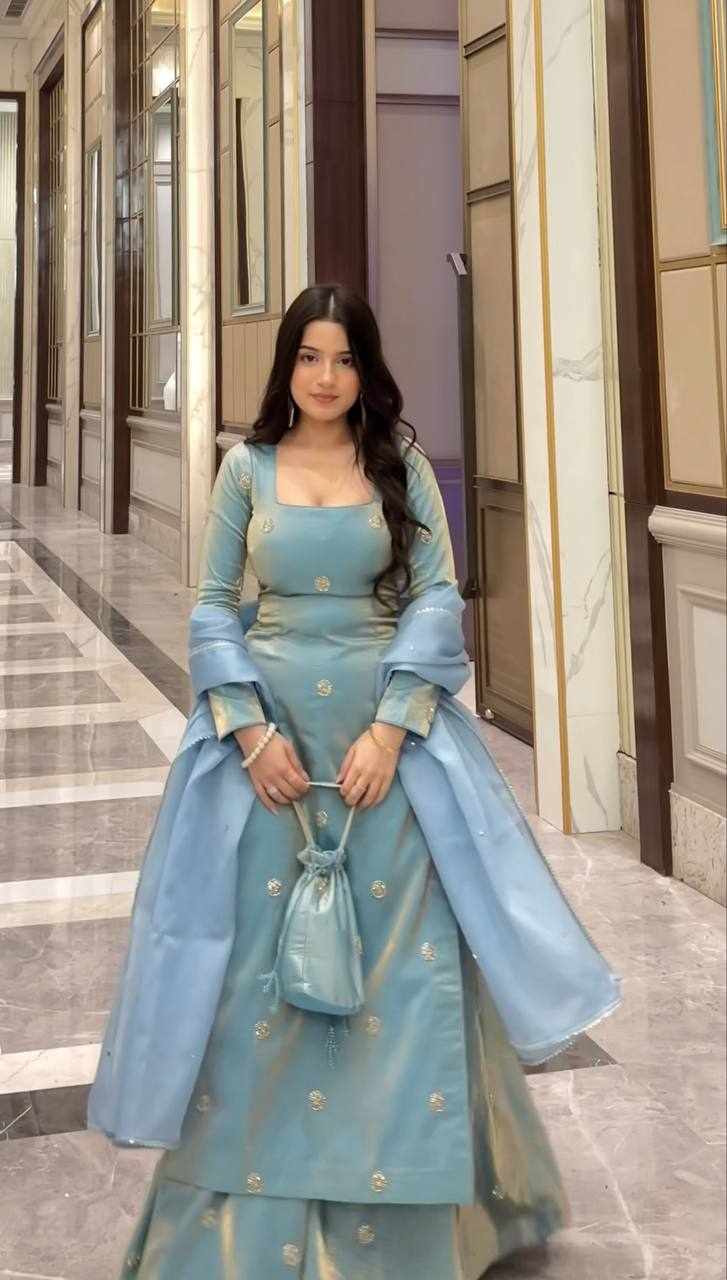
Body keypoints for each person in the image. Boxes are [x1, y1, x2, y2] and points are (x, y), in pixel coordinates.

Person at [92, 283, 621, 1278]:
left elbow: (435, 599)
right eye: (309, 357)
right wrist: (249, 733)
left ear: (365, 369)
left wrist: (391, 727)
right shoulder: (246, 468)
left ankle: (422, 1214)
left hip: (386, 753)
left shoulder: (398, 466)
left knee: (402, 974)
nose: (325, 377)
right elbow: (211, 608)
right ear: (286, 365)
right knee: (254, 979)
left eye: (343, 358)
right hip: (273, 757)